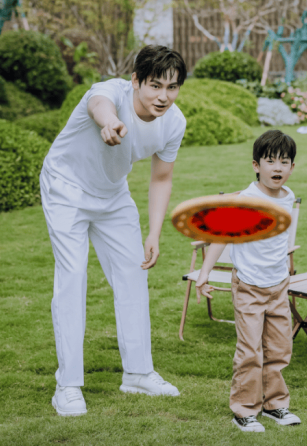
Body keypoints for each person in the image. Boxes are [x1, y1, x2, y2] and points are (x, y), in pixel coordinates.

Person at [40, 45, 187, 416]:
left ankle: (138, 373)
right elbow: (99, 105)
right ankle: (67, 385)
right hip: (66, 188)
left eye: (172, 87)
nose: (164, 96)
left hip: (112, 194)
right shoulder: (110, 93)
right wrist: (108, 122)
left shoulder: (174, 122)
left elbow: (162, 177)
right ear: (135, 81)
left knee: (133, 276)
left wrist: (153, 234)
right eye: (155, 85)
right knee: (73, 277)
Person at [195, 130, 301, 433]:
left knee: (279, 349)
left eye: (284, 162)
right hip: (249, 286)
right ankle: (244, 410)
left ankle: (275, 405)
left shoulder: (288, 196)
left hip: (278, 285)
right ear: (256, 165)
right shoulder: (246, 200)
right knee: (250, 351)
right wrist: (204, 272)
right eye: (270, 161)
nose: (277, 167)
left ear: (292, 167)